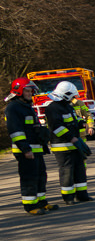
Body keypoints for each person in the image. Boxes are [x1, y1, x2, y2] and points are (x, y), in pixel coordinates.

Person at [5, 78, 57, 215]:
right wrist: (25, 149)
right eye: (27, 91)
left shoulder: (26, 106)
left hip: (36, 148)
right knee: (29, 177)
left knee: (41, 176)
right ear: (19, 91)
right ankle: (30, 205)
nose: (30, 93)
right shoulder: (13, 108)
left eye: (31, 91)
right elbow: (15, 130)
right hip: (26, 150)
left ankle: (41, 202)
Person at [45, 81, 92, 205]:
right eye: (72, 96)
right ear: (66, 95)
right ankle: (68, 197)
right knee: (67, 171)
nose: (73, 98)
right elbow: (56, 127)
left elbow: (74, 121)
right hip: (62, 146)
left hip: (74, 144)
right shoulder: (52, 108)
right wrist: (72, 138)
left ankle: (82, 195)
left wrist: (82, 124)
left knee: (80, 169)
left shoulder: (69, 107)